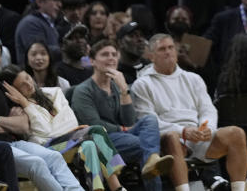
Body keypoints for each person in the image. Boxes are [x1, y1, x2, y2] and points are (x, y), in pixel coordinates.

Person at [0, 32, 83, 191]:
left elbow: (24, 126)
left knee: (54, 157)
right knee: (36, 163)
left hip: (15, 142)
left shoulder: (1, 86)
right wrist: (9, 123)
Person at [131, 34, 247, 191]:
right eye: (162, 49)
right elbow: (147, 122)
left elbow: (208, 109)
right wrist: (183, 131)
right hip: (169, 138)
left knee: (236, 133)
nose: (168, 52)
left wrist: (206, 128)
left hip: (197, 135)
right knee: (171, 138)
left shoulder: (193, 78)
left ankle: (239, 189)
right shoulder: (142, 84)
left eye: (171, 47)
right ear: (151, 56)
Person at [0, 65, 126, 191]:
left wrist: (62, 131)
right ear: (14, 92)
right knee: (96, 131)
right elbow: (46, 131)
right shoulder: (20, 110)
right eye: (22, 85)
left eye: (28, 78)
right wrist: (25, 104)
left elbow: (71, 123)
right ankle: (116, 186)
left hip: (73, 141)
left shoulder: (54, 92)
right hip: (47, 149)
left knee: (89, 146)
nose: (29, 84)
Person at [71, 39, 174, 191]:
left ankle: (152, 160)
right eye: (105, 54)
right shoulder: (83, 91)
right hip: (99, 140)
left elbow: (130, 119)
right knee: (145, 145)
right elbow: (94, 125)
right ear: (92, 61)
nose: (111, 58)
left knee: (149, 120)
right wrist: (124, 129)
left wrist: (124, 89)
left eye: (114, 54)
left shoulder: (117, 85)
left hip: (121, 136)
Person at [14, 0, 66, 64]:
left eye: (59, 0)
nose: (60, 4)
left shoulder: (46, 22)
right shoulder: (30, 23)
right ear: (39, 2)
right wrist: (68, 50)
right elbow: (38, 51)